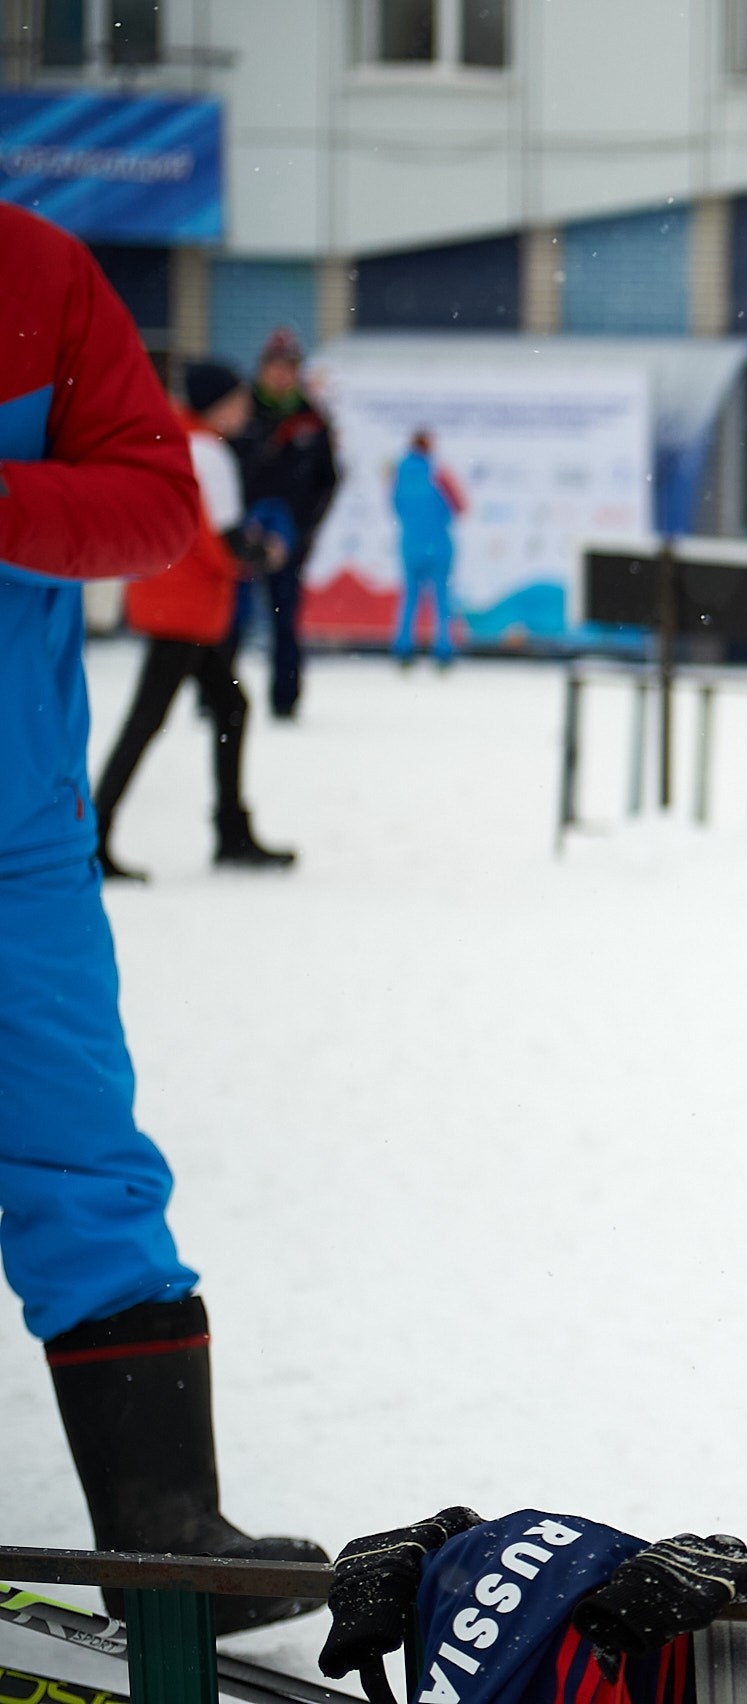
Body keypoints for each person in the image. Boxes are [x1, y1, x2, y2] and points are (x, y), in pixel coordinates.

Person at [0, 205, 321, 1627]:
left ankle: (162, 1524)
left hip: (17, 836)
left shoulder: (36, 272)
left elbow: (152, 503)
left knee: (88, 1163)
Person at [92, 362, 299, 879]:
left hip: (165, 597)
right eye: (238, 399)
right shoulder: (208, 451)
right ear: (218, 404)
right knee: (152, 720)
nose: (246, 408)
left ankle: (229, 829)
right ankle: (95, 834)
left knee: (228, 707)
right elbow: (226, 538)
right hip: (187, 608)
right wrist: (264, 552)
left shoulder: (172, 440)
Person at [231, 326, 338, 720]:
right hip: (239, 534)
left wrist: (305, 529)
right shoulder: (241, 412)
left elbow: (329, 480)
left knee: (284, 621)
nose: (280, 376)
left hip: (287, 538)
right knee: (229, 620)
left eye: (288, 368)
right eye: (274, 367)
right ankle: (218, 696)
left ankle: (285, 699)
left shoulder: (311, 418)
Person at [390, 428, 467, 667]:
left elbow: (396, 506)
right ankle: (443, 649)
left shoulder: (400, 474)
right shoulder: (438, 472)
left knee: (411, 596)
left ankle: (404, 648)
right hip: (438, 543)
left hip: (410, 543)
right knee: (441, 598)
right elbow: (460, 505)